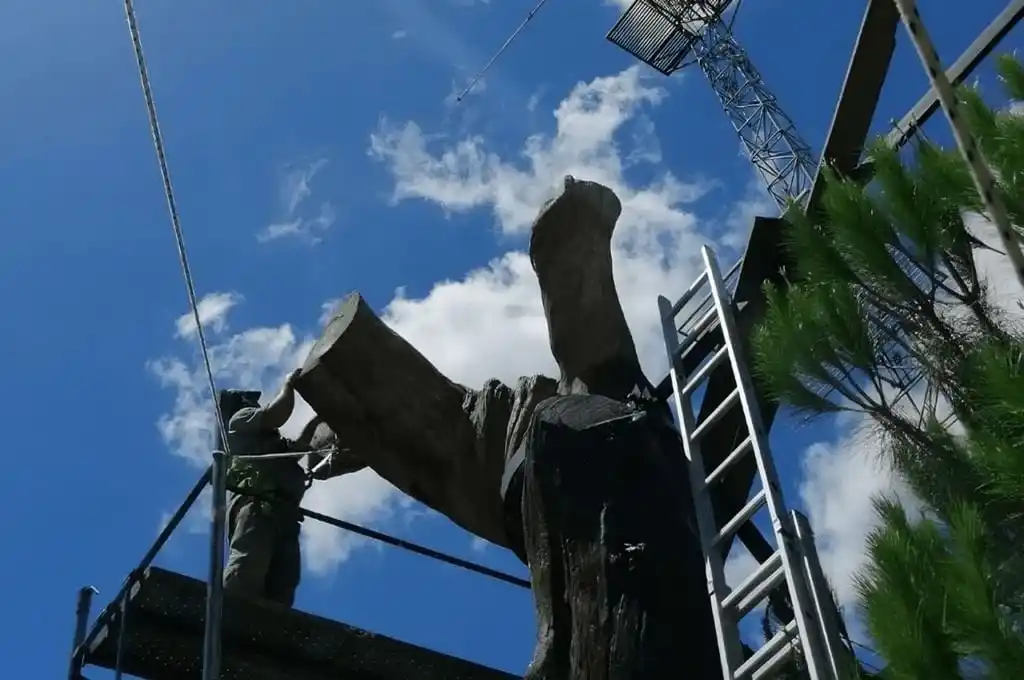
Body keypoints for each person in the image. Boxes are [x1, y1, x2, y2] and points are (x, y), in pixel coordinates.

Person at [220, 369, 323, 607]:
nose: (254, 404)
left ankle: (274, 622)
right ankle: (232, 612)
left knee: (284, 576)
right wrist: (289, 385)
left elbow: (299, 447)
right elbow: (276, 414)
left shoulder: (270, 442)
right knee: (249, 563)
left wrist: (318, 420)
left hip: (283, 511)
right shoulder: (240, 421)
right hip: (256, 504)